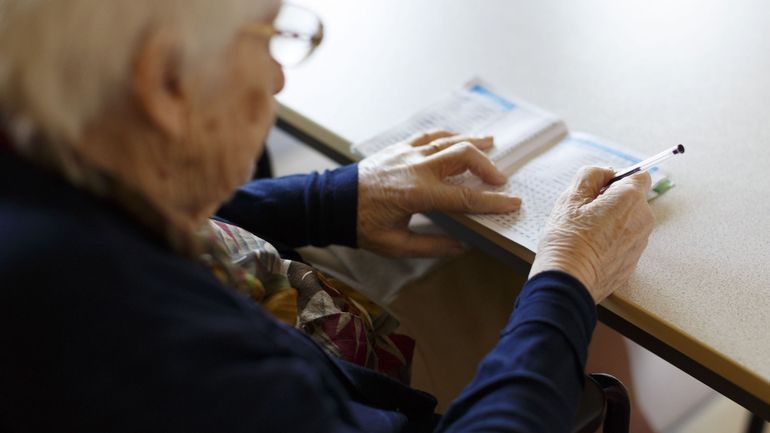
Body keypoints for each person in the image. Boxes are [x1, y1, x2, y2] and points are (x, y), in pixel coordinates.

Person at [0, 1, 655, 432]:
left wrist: (334, 197)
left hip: (266, 287)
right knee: (554, 286)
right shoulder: (144, 350)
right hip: (328, 370)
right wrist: (568, 278)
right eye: (270, 35)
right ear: (168, 84)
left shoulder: (41, 163)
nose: (279, 80)